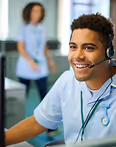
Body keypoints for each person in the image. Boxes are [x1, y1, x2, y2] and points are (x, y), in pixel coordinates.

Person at [5, 13, 116, 146]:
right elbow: (38, 123)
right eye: (73, 47)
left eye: (89, 48)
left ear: (109, 52)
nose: (78, 55)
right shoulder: (67, 80)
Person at [15, 2, 58, 137]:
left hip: (41, 68)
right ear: (28, 13)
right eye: (34, 11)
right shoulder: (23, 28)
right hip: (26, 67)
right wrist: (30, 62)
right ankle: (17, 129)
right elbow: (21, 47)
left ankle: (50, 129)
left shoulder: (42, 29)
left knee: (45, 97)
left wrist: (50, 61)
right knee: (22, 98)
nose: (37, 14)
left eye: (39, 11)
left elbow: (44, 47)